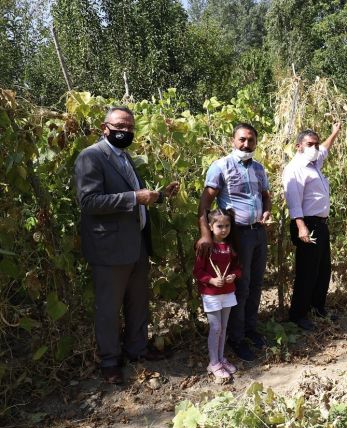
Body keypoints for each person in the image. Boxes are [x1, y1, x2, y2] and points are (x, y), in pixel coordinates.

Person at [75, 106, 180, 384]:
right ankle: (110, 362)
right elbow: (89, 202)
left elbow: (137, 198)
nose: (125, 132)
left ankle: (137, 350)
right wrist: (134, 196)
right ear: (105, 126)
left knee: (137, 302)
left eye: (130, 128)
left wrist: (159, 195)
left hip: (135, 245)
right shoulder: (92, 157)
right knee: (109, 308)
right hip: (109, 249)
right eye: (120, 126)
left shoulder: (125, 157)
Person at [197, 123, 270, 362]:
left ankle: (251, 329)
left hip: (258, 232)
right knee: (241, 285)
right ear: (232, 140)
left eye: (251, 140)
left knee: (257, 283)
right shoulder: (221, 166)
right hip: (238, 234)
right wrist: (206, 234)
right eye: (242, 140)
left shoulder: (259, 169)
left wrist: (267, 212)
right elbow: (205, 203)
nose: (246, 144)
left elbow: (265, 196)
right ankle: (236, 338)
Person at [282, 123, 342, 331]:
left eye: (315, 144)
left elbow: (325, 148)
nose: (314, 148)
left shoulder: (315, 162)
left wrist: (334, 132)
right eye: (310, 144)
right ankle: (298, 314)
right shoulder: (295, 169)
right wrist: (301, 227)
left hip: (320, 224)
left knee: (323, 269)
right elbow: (294, 201)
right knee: (307, 271)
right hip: (306, 224)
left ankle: (318, 308)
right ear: (299, 146)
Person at [193, 209, 242, 381]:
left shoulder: (230, 247)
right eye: (219, 226)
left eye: (227, 225)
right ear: (211, 227)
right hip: (211, 294)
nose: (224, 229)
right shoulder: (206, 246)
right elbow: (197, 271)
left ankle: (221, 359)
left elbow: (238, 268)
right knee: (215, 328)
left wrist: (234, 276)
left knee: (224, 328)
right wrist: (212, 281)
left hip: (228, 292)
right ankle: (213, 363)